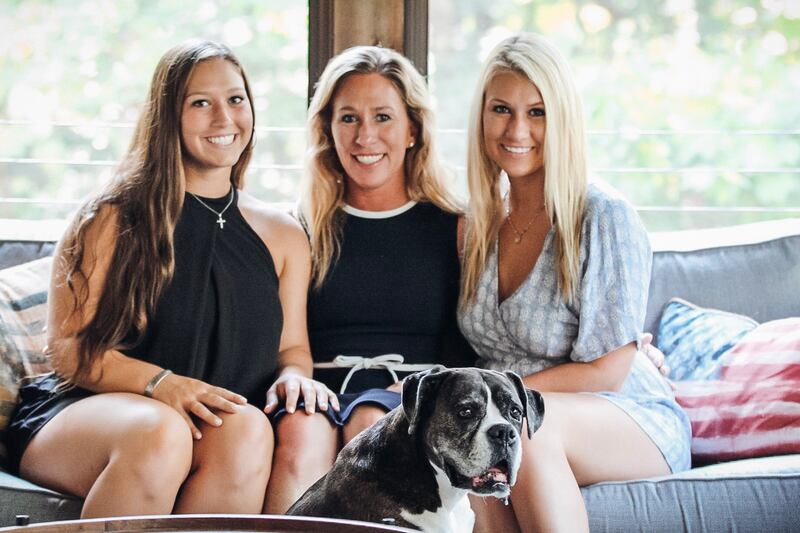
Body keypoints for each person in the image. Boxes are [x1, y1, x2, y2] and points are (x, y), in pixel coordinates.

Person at [6, 39, 335, 518]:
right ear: (167, 116)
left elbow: (293, 349)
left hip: (204, 422)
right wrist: (162, 384)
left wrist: (293, 378)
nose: (224, 118)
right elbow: (69, 351)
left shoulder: (285, 235)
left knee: (247, 428)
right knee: (161, 431)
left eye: (235, 99)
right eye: (201, 103)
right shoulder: (112, 217)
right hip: (86, 414)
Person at [457, 33, 692, 532]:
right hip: (509, 408)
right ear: (481, 116)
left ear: (562, 117)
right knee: (465, 447)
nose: (517, 128)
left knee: (521, 429)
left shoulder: (602, 215)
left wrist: (501, 398)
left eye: (537, 111)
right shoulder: (476, 224)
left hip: (622, 414)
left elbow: (608, 371)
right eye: (501, 109)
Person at [264, 45, 475, 513]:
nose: (365, 137)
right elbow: (285, 345)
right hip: (317, 388)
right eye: (348, 119)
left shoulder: (456, 226)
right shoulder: (298, 228)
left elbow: (478, 338)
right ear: (327, 130)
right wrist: (294, 378)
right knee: (299, 437)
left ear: (412, 131)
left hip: (407, 391)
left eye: (382, 117)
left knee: (373, 425)